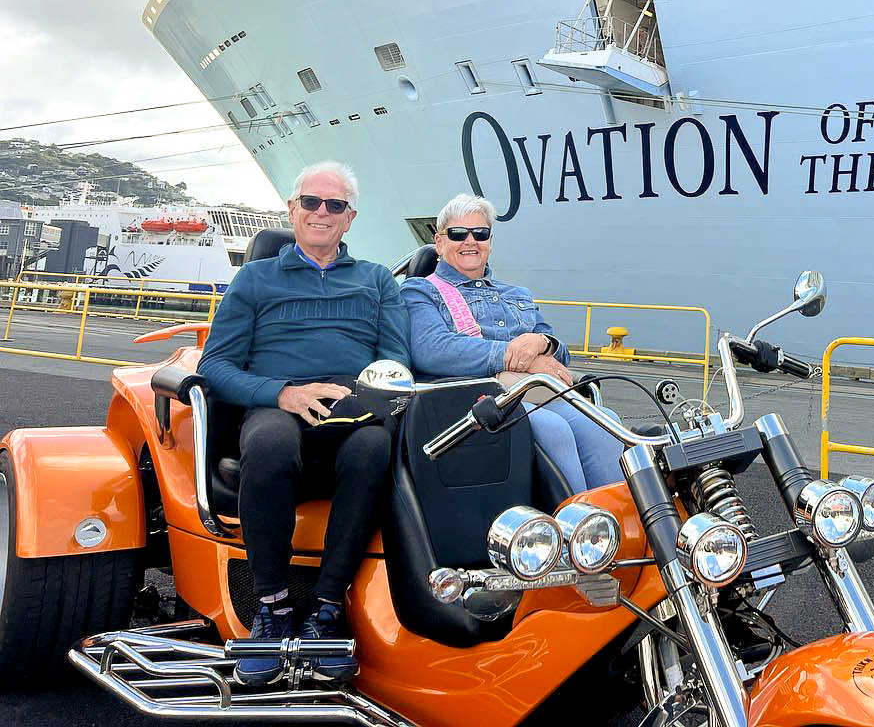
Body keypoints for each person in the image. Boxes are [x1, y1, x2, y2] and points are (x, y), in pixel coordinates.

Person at [197, 160, 406, 686]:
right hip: (278, 400)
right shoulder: (254, 277)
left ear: (349, 218)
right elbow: (214, 366)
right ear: (292, 210)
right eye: (311, 202)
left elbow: (395, 363)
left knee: (373, 448)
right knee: (267, 443)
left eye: (334, 205)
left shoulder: (377, 280)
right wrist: (282, 394)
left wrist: (362, 395)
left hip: (351, 406)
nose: (321, 213)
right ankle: (271, 610)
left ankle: (327, 609)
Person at [401, 193, 624, 491]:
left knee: (605, 422)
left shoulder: (518, 294)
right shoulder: (420, 291)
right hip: (474, 402)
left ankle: (619, 524)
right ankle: (580, 524)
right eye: (458, 234)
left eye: (480, 233)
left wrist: (543, 343)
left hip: (532, 394)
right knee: (553, 430)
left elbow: (562, 355)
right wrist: (515, 354)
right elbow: (432, 349)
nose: (471, 241)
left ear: (490, 243)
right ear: (439, 243)